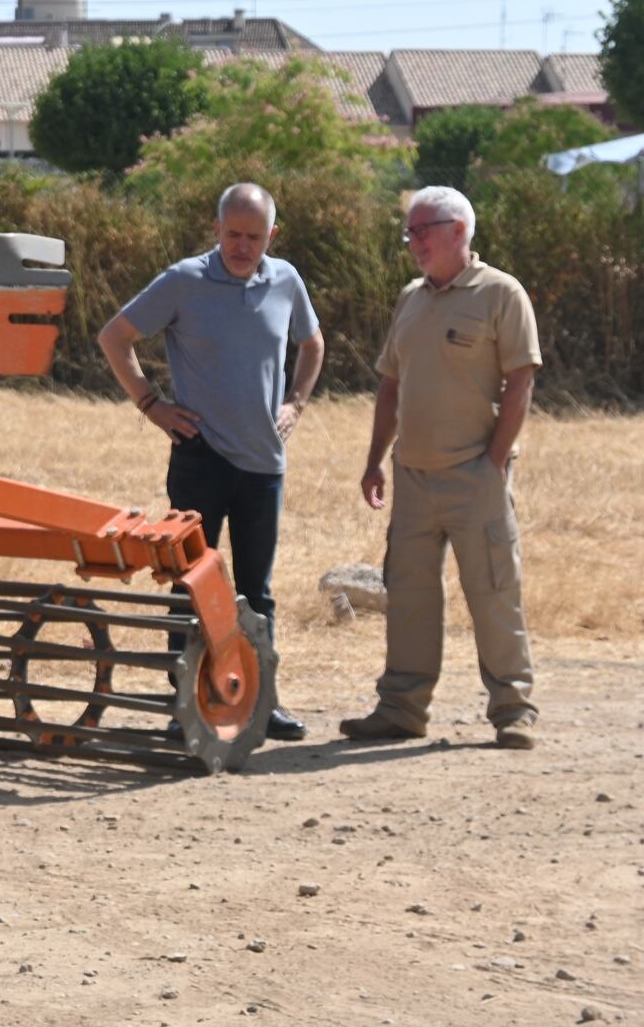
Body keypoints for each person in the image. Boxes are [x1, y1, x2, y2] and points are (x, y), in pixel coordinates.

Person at [97, 182, 324, 742]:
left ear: (272, 235)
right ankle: (187, 704)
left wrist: (295, 402)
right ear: (216, 230)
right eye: (232, 235)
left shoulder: (286, 279)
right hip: (201, 459)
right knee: (190, 581)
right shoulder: (185, 281)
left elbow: (313, 344)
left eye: (254, 237)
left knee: (257, 588)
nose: (242, 247)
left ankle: (259, 700)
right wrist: (153, 406)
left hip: (264, 464)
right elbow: (115, 337)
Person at [343, 186, 539, 749]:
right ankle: (401, 709)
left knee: (494, 591)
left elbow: (521, 380)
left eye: (423, 230)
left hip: (475, 476)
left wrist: (493, 461)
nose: (413, 242)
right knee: (408, 596)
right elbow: (390, 385)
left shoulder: (502, 294)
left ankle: (513, 710)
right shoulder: (410, 298)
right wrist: (376, 459)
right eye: (409, 232)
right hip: (413, 477)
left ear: (459, 231)